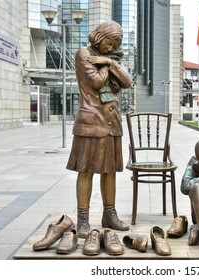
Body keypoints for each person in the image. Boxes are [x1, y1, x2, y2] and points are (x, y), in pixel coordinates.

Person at [66, 21, 132, 238]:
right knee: (85, 170)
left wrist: (109, 62)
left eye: (115, 44)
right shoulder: (83, 53)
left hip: (111, 120)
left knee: (110, 170)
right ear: (99, 36)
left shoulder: (111, 59)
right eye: (109, 42)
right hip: (91, 120)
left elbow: (127, 81)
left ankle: (109, 214)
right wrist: (107, 64)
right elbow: (95, 81)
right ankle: (83, 219)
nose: (111, 48)